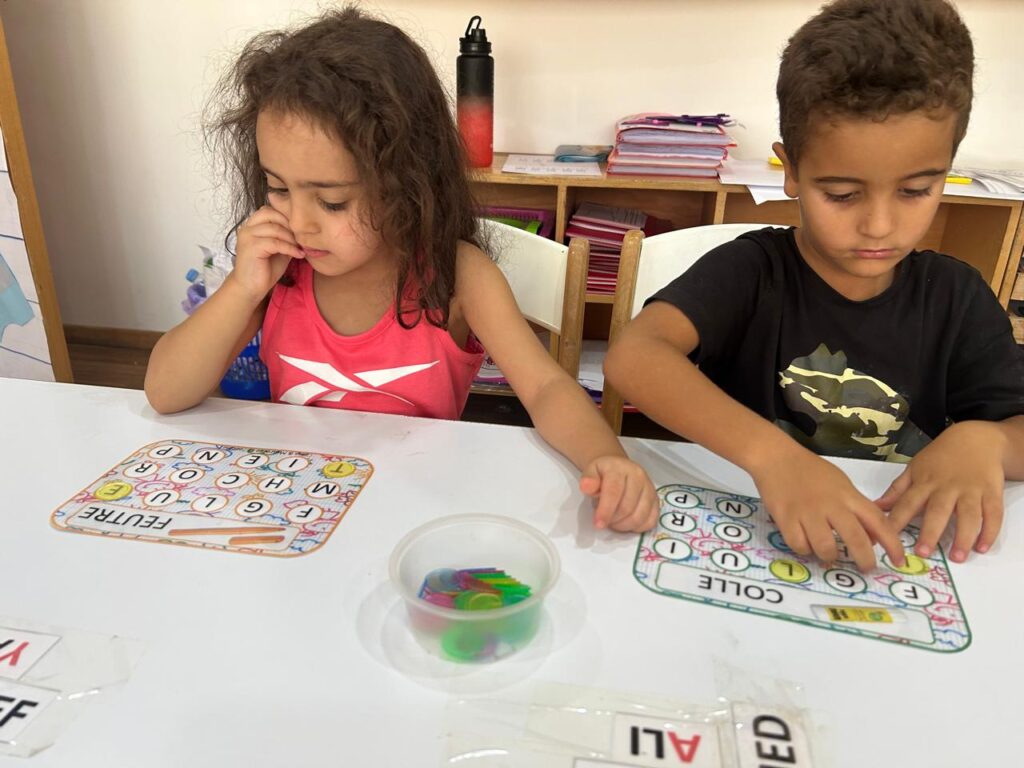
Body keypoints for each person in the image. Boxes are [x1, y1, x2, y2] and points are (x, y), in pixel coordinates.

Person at [144, 7, 658, 533]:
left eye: (333, 202)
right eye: (277, 188)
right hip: (297, 510)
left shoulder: (458, 276)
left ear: (405, 184)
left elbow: (546, 387)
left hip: (416, 516)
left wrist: (605, 457)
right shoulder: (280, 273)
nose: (298, 222)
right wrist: (241, 288)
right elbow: (165, 392)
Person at [605, 0, 1024, 569]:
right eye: (842, 195)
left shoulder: (957, 296)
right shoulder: (753, 270)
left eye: (915, 191)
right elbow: (634, 356)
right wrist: (774, 458)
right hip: (752, 532)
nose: (879, 225)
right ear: (792, 171)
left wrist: (988, 442)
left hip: (898, 545)